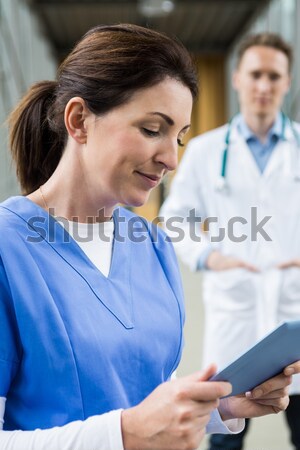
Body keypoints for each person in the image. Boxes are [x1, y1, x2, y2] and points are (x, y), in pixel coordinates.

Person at [0, 24, 299, 450]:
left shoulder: (153, 246)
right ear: (80, 120)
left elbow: (152, 400)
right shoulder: (8, 249)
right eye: (152, 129)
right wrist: (121, 435)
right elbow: (133, 426)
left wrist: (224, 407)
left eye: (179, 136)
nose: (172, 159)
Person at [160, 32, 300, 450]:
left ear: (287, 82)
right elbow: (175, 218)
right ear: (237, 78)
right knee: (225, 429)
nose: (264, 85)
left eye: (273, 76)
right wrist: (209, 257)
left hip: (293, 305)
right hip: (234, 313)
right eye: (255, 74)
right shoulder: (205, 152)